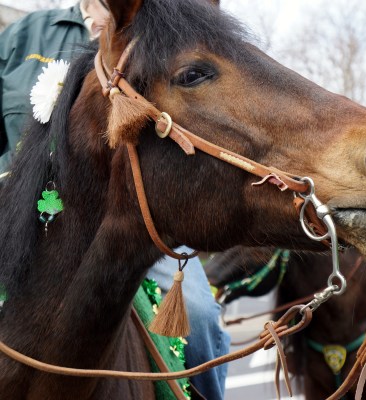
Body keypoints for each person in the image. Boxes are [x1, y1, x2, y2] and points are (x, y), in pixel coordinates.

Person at [0, 2, 230, 398]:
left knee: (198, 315)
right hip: (14, 222)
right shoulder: (22, 36)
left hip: (131, 223)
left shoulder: (163, 29)